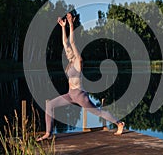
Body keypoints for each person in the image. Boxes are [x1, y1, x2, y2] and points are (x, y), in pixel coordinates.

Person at [36, 11, 125, 141]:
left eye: (69, 52)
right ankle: (48, 133)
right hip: (70, 95)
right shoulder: (70, 64)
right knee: (50, 105)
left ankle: (119, 123)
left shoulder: (78, 62)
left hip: (80, 95)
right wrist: (62, 27)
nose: (67, 53)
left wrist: (71, 24)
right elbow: (65, 43)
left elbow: (71, 42)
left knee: (98, 112)